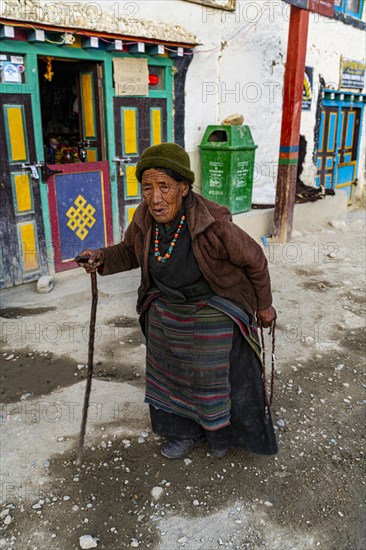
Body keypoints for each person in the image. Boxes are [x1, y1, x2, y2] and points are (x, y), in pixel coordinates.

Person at [77, 142, 277, 459]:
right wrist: (101, 257)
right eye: (147, 188)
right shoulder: (144, 218)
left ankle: (219, 435)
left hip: (213, 300)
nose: (155, 198)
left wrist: (264, 306)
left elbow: (255, 260)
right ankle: (181, 431)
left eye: (164, 187)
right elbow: (129, 251)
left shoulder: (212, 221)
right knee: (166, 367)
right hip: (167, 302)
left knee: (207, 368)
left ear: (183, 187)